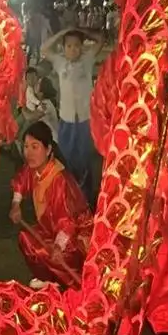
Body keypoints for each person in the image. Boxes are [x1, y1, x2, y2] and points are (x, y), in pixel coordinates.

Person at [9, 121, 93, 290]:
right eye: (26, 146)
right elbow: (21, 180)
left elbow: (67, 222)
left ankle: (68, 282)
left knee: (51, 253)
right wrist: (16, 204)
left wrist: (58, 246)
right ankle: (48, 279)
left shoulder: (58, 180)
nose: (29, 153)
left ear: (48, 150)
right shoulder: (34, 168)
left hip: (74, 237)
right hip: (51, 229)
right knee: (26, 240)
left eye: (35, 147)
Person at [40, 27, 104, 203]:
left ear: (82, 47)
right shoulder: (60, 63)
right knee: (68, 157)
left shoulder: (87, 60)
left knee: (84, 158)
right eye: (69, 45)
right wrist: (64, 31)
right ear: (63, 47)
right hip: (67, 120)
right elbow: (44, 49)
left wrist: (81, 30)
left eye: (77, 45)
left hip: (84, 119)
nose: (73, 49)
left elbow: (100, 40)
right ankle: (70, 195)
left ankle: (86, 198)